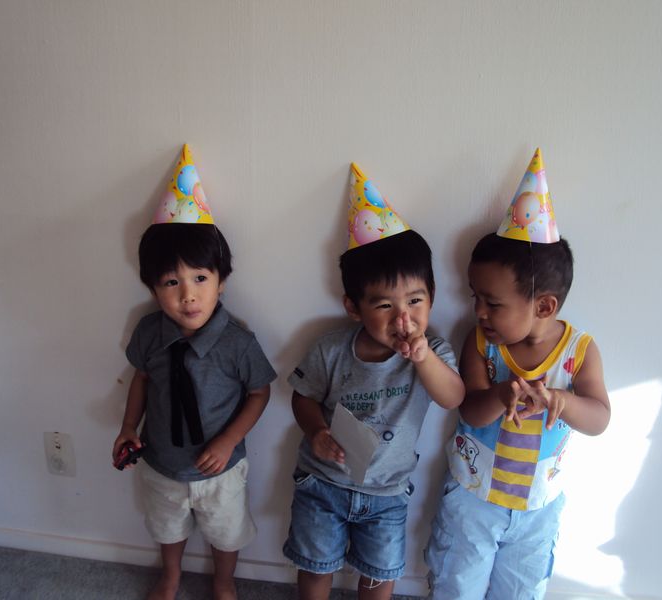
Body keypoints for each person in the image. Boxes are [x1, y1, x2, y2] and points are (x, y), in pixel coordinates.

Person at [425, 149, 610, 599]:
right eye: (475, 297)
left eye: (493, 303)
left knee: (521, 591)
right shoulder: (481, 343)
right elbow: (469, 409)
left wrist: (563, 401)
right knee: (456, 586)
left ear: (544, 306)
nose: (479, 311)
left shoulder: (578, 353)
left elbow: (600, 418)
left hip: (538, 508)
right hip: (474, 499)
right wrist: (501, 393)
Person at [282, 163, 465, 600]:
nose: (403, 318)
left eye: (415, 301)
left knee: (381, 572)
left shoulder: (434, 352)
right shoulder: (331, 349)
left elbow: (453, 396)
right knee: (314, 565)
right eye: (384, 306)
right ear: (353, 307)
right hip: (323, 481)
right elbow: (302, 398)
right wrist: (317, 431)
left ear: (432, 298)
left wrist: (422, 358)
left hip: (387, 492)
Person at [112, 145, 276, 600]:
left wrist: (228, 441)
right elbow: (141, 378)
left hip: (220, 468)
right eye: (171, 282)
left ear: (221, 280)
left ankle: (223, 581)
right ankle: (170, 576)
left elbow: (259, 392)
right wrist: (128, 427)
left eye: (200, 279)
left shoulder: (238, 342)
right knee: (167, 528)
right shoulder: (149, 332)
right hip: (161, 462)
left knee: (227, 533)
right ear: (153, 288)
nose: (188, 295)